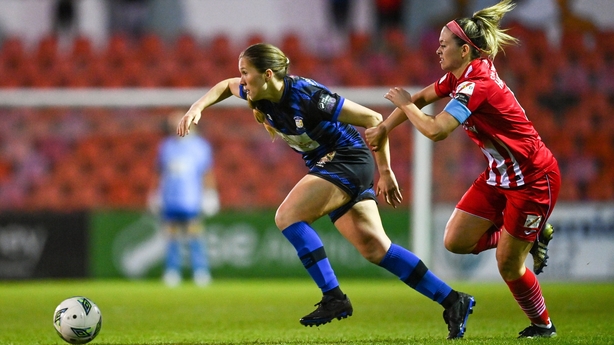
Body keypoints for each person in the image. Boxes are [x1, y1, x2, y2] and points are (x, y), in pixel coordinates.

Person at [177, 43, 475, 339]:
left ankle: (333, 296)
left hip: (348, 158)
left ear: (267, 74)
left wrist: (385, 170)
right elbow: (224, 87)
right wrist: (197, 108)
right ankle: (453, 300)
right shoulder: (259, 92)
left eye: (245, 73)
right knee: (376, 249)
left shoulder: (310, 97)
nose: (240, 80)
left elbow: (372, 119)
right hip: (333, 165)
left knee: (288, 216)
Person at [365, 0, 560, 338]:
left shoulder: (476, 86)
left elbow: (436, 130)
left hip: (532, 179)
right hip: (500, 175)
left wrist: (403, 106)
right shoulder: (460, 77)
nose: (437, 50)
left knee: (508, 264)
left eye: (444, 45)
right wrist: (385, 128)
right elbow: (422, 98)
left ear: (466, 50)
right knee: (455, 241)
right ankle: (531, 234)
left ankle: (543, 326)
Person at [150, 110, 220, 287]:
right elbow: (160, 172)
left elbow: (207, 173)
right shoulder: (166, 146)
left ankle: (200, 270)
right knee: (171, 235)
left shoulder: (200, 146)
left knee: (194, 235)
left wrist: (210, 194)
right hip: (170, 197)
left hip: (191, 198)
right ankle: (172, 270)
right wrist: (156, 193)